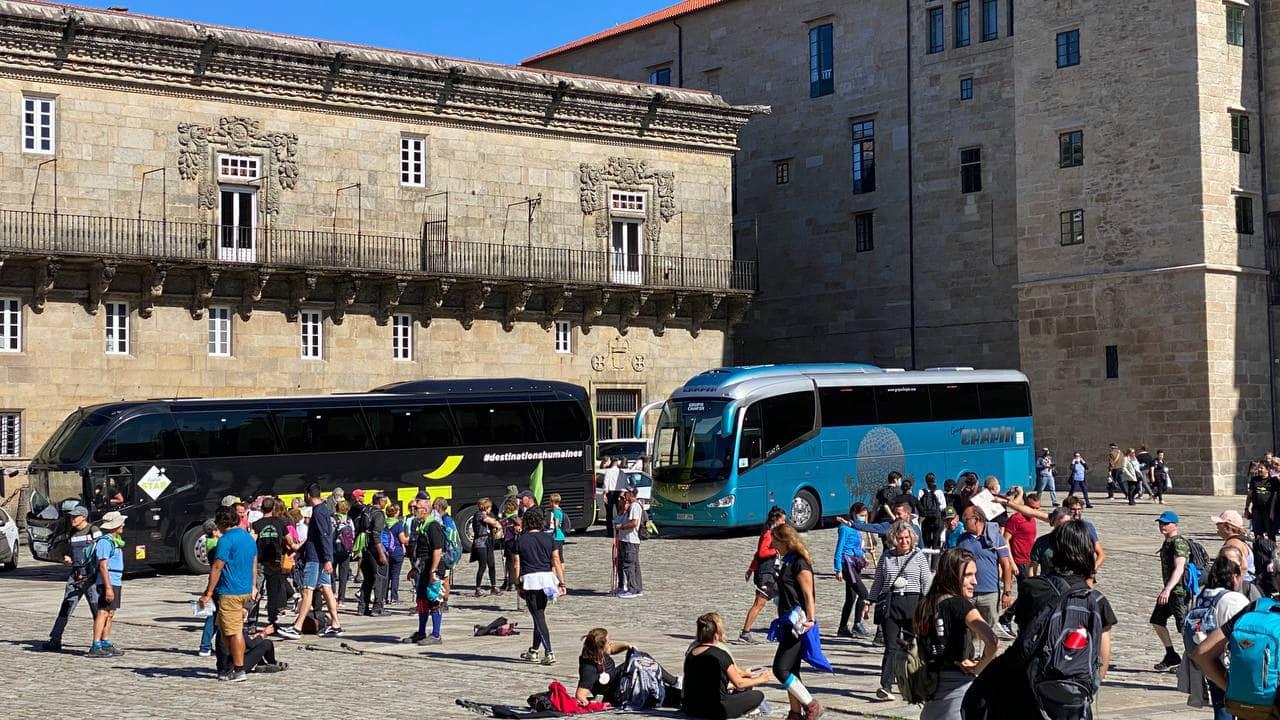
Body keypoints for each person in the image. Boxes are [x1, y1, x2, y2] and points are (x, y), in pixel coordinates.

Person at [968, 520, 1115, 720]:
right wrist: (1085, 690)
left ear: (1054, 550)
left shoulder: (1033, 588)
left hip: (1029, 691)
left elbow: (1025, 638)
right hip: (1075, 699)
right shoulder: (1096, 600)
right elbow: (1103, 655)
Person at [916, 548, 998, 720]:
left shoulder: (926, 604)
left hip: (930, 688)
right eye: (968, 575)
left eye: (974, 574)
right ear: (952, 574)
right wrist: (978, 667)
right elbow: (992, 640)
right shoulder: (960, 605)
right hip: (957, 691)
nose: (975, 581)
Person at [870, 519, 932, 701]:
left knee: (914, 647)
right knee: (891, 647)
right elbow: (878, 582)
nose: (904, 541)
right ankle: (886, 686)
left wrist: (929, 606)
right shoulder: (886, 556)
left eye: (907, 538)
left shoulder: (919, 556)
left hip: (913, 605)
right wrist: (869, 602)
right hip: (892, 605)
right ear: (894, 539)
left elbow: (926, 583)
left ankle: (916, 683)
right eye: (900, 538)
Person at [1183, 556, 1249, 720]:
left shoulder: (1203, 595)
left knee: (1221, 706)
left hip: (1209, 663)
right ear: (1234, 577)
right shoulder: (1234, 600)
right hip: (1231, 666)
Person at [770, 523, 824, 719]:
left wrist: (811, 619)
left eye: (775, 539)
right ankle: (795, 712)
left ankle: (811, 704)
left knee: (780, 669)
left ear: (785, 540)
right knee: (792, 669)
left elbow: (808, 594)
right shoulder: (786, 560)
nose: (773, 543)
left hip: (798, 623)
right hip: (786, 620)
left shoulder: (799, 563)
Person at [198, 505, 258, 681]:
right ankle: (231, 665)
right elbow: (254, 563)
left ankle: (239, 669)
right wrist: (253, 586)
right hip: (245, 590)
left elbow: (217, 566)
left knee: (233, 632)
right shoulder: (247, 537)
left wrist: (208, 592)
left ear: (222, 522)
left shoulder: (226, 540)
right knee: (225, 632)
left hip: (230, 591)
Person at [682, 612, 773, 719]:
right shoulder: (720, 654)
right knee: (758, 695)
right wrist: (762, 679)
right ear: (716, 635)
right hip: (716, 708)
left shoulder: (691, 653)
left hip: (690, 707)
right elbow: (739, 683)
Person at [575, 627, 681, 708]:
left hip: (619, 680)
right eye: (608, 641)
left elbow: (611, 649)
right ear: (601, 648)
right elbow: (580, 694)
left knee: (643, 657)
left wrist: (627, 646)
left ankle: (672, 684)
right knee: (640, 662)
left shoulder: (597, 652)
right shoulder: (589, 669)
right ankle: (674, 684)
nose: (610, 643)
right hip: (617, 694)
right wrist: (593, 703)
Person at [44, 505, 101, 653]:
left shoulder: (93, 530)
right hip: (75, 576)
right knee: (66, 607)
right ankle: (55, 639)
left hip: (91, 577)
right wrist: (67, 558)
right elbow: (68, 552)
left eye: (75, 517)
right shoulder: (72, 534)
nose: (72, 519)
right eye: (71, 517)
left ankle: (100, 641)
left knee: (97, 610)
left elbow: (101, 552)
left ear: (84, 517)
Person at [513, 505, 566, 665]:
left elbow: (516, 564)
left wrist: (517, 583)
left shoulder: (521, 540)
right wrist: (562, 582)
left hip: (531, 580)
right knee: (539, 615)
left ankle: (549, 651)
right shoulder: (549, 538)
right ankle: (534, 651)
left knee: (538, 617)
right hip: (547, 579)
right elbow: (556, 560)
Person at [954, 507, 1015, 635]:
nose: (963, 521)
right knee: (965, 630)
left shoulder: (995, 537)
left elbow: (1006, 565)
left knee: (989, 632)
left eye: (966, 519)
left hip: (990, 593)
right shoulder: (962, 539)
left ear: (976, 520)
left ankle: (987, 655)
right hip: (967, 592)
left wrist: (1007, 592)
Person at [739, 506, 786, 644]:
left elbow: (757, 555)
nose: (784, 522)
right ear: (776, 519)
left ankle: (782, 631)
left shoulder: (773, 533)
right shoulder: (768, 534)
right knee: (759, 603)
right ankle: (745, 633)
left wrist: (750, 569)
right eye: (782, 520)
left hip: (774, 574)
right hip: (766, 574)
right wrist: (776, 550)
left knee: (781, 601)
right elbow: (761, 553)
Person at [405, 497, 448, 646]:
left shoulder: (433, 526)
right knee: (422, 600)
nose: (413, 510)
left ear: (425, 510)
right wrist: (414, 569)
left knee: (434, 600)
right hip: (422, 568)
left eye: (416, 508)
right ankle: (421, 632)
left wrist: (433, 571)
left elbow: (437, 550)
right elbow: (420, 551)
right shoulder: (420, 525)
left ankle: (436, 635)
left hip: (433, 568)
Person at [1152, 510, 1191, 671]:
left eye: (1165, 523)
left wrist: (1167, 589)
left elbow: (1179, 568)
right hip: (1169, 592)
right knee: (1157, 621)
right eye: (1161, 523)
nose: (1162, 526)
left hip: (1179, 592)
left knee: (1183, 627)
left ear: (1175, 525)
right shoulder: (1167, 541)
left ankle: (1190, 660)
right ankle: (1171, 655)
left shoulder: (1179, 543)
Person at [251, 497, 291, 636]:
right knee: (273, 593)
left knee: (256, 592)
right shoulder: (280, 523)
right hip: (275, 561)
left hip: (260, 561)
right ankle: (272, 621)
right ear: (273, 508)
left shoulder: (256, 524)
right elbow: (290, 540)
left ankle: (251, 622)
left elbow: (251, 542)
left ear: (262, 508)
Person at [89, 510, 127, 658]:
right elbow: (103, 566)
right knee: (103, 612)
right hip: (108, 581)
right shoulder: (104, 542)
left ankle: (105, 642)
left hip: (115, 580)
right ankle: (96, 644)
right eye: (121, 523)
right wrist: (108, 587)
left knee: (110, 613)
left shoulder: (115, 541)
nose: (123, 525)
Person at [835, 503, 871, 637]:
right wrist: (837, 569)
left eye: (865, 516)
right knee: (864, 593)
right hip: (847, 564)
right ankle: (857, 623)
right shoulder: (845, 528)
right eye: (861, 516)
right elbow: (840, 549)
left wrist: (865, 550)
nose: (863, 518)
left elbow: (855, 547)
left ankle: (842, 627)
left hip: (855, 564)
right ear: (854, 514)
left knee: (851, 597)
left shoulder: (855, 529)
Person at [358, 492, 390, 616]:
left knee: (368, 578)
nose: (385, 503)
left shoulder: (366, 511)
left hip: (365, 549)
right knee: (380, 577)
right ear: (379, 501)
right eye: (384, 501)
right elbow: (376, 534)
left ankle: (362, 607)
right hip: (375, 549)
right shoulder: (379, 515)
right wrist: (381, 553)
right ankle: (377, 608)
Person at [850, 499, 921, 549]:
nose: (896, 516)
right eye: (895, 514)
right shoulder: (890, 526)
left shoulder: (915, 528)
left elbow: (921, 547)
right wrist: (852, 524)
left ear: (907, 514)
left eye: (899, 514)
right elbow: (872, 527)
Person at [614, 487, 644, 598]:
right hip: (628, 539)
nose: (624, 496)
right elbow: (619, 517)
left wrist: (621, 527)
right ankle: (637, 588)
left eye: (626, 494)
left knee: (629, 564)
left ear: (631, 494)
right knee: (634, 564)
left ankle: (632, 589)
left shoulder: (635, 506)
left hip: (630, 540)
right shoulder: (630, 506)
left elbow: (634, 523)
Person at [470, 497, 503, 597]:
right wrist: (497, 523)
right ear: (486, 507)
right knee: (482, 566)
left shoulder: (488, 515)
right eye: (489, 507)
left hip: (488, 542)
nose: (490, 509)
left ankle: (493, 586)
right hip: (480, 543)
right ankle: (478, 588)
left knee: (492, 565)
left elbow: (492, 525)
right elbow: (491, 521)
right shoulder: (479, 515)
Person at [1027, 507, 1071, 576]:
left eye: (1067, 524)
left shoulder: (1077, 540)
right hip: (1048, 583)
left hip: (1071, 583)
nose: (1063, 528)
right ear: (1053, 522)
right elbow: (1032, 568)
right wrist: (1033, 584)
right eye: (1060, 525)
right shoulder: (1042, 542)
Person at [331, 500, 354, 606]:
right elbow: (352, 534)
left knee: (331, 574)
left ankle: (332, 596)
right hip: (346, 550)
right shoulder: (349, 520)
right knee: (343, 576)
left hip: (334, 549)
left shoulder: (332, 519)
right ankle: (341, 599)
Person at [384, 503, 407, 605]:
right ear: (396, 513)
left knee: (386, 576)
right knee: (395, 576)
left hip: (385, 552)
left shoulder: (384, 523)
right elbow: (403, 540)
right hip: (397, 552)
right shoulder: (398, 524)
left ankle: (384, 597)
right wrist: (410, 538)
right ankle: (394, 597)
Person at [1245, 460, 1274, 539]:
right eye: (1259, 468)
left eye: (1261, 468)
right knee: (1257, 533)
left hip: (1268, 511)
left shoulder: (1272, 481)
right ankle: (1259, 549)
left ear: (1267, 469)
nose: (1259, 470)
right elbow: (1249, 496)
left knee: (1270, 533)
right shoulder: (1254, 480)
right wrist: (1246, 509)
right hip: (1256, 510)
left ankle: (1271, 550)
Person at [917, 473, 946, 550]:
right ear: (935, 480)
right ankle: (935, 561)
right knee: (936, 544)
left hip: (926, 520)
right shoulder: (939, 492)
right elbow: (943, 507)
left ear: (926, 481)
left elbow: (919, 506)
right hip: (937, 520)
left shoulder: (921, 492)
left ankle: (925, 560)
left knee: (926, 543)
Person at [499, 496, 520, 592]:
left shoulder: (504, 517)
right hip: (514, 541)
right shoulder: (515, 518)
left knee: (508, 562)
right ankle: (513, 582)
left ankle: (508, 581)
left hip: (506, 541)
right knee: (515, 562)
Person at [602, 458, 623, 538]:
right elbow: (623, 483)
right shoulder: (621, 472)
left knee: (609, 513)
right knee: (620, 512)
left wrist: (605, 493)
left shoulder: (608, 471)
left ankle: (610, 532)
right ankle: (619, 530)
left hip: (610, 492)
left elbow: (606, 482)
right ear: (617, 463)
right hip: (618, 492)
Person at [549, 492, 567, 561]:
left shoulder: (555, 511)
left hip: (556, 537)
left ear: (553, 502)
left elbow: (555, 525)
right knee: (560, 557)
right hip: (561, 536)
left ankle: (557, 571)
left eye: (550, 501)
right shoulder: (560, 510)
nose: (549, 503)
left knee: (556, 557)